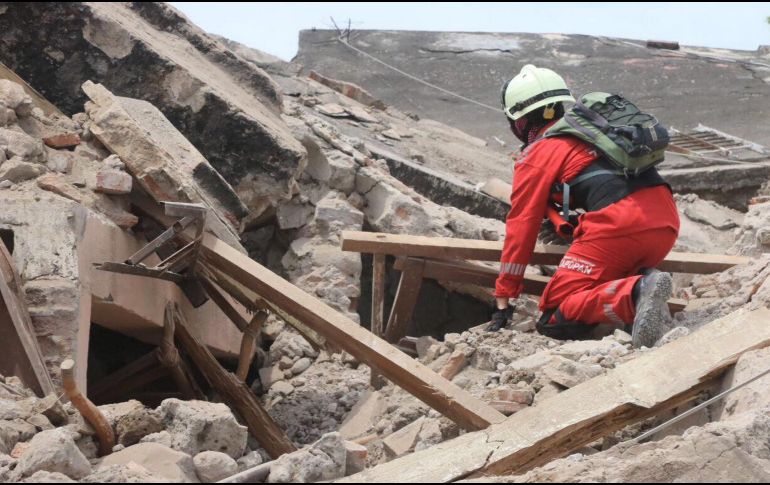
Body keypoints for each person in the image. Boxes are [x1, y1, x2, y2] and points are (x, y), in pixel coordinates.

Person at [490, 64, 680, 348]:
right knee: (594, 288)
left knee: (555, 315)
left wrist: (505, 294)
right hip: (665, 221)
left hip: (621, 226)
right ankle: (641, 282)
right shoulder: (594, 136)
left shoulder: (539, 152)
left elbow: (521, 225)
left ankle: (637, 291)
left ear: (521, 121)